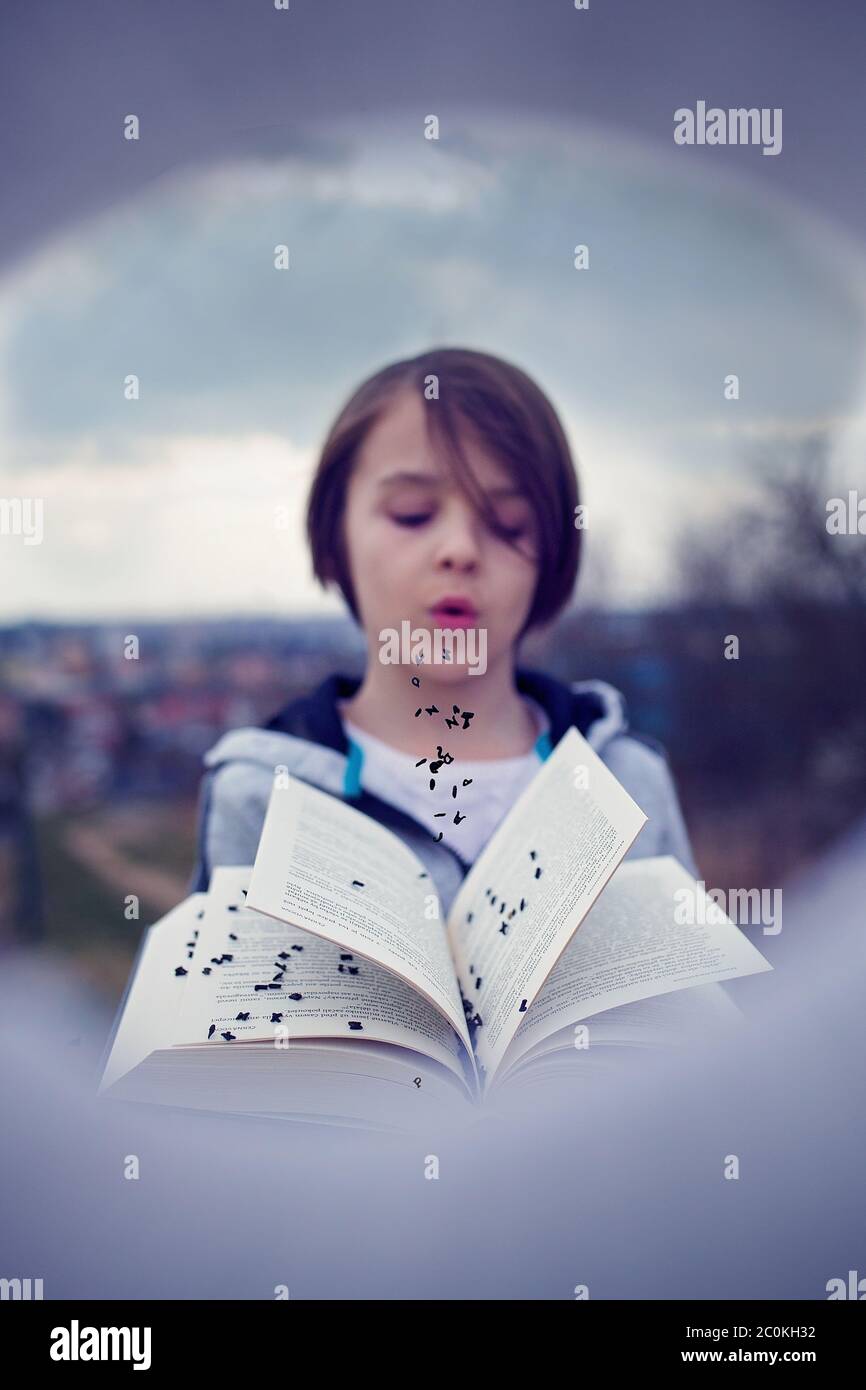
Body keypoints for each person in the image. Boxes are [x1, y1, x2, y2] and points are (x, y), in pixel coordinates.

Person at [189, 347, 696, 917]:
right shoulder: (261, 794)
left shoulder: (627, 784)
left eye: (507, 525)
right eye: (412, 513)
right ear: (335, 538)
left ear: (553, 553)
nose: (459, 550)